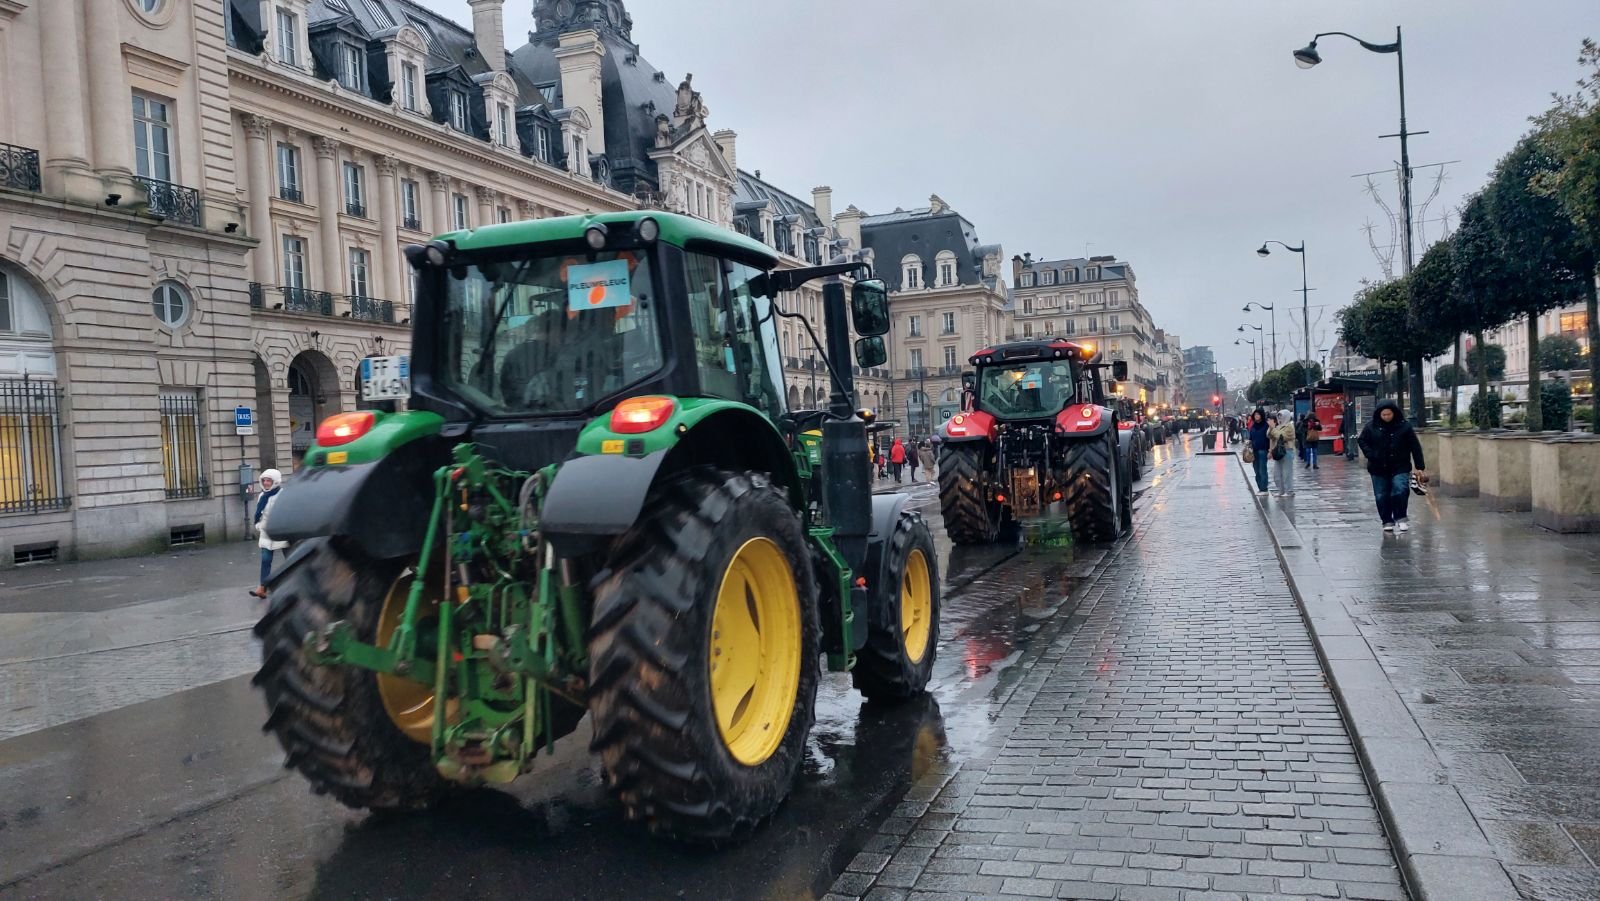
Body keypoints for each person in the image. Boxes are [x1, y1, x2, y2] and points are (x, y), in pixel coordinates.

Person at [1357, 399, 1427, 533]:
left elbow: (1415, 446)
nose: (1386, 417)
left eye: (1389, 414)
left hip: (1400, 465)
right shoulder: (1371, 427)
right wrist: (1370, 454)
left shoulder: (1405, 427)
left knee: (1400, 489)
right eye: (1384, 415)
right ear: (1379, 414)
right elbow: (1362, 440)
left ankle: (1401, 518)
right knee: (1381, 495)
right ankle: (1387, 520)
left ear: (1394, 413)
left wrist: (1420, 467)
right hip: (1378, 466)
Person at [251, 469, 289, 598]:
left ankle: (297, 584)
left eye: (269, 481)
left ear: (275, 481)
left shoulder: (283, 494)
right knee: (265, 560)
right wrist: (259, 525)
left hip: (281, 531)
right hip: (266, 532)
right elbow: (259, 513)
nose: (266, 483)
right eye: (264, 480)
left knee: (290, 559)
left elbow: (287, 511)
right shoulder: (262, 496)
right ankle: (262, 588)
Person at [1268, 412, 1296, 496]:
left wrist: (1273, 429)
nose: (1279, 418)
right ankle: (1281, 490)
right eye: (1278, 416)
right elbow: (1269, 436)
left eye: (1281, 416)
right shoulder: (1278, 427)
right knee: (1277, 474)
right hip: (1278, 452)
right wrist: (1270, 428)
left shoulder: (1289, 426)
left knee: (1287, 473)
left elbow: (1281, 436)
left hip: (1287, 451)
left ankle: (1289, 491)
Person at [1246, 408, 1271, 495]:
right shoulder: (1253, 426)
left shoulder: (1266, 426)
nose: (1256, 416)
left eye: (1258, 414)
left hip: (1263, 450)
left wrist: (1269, 450)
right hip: (1254, 451)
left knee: (1262, 469)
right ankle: (1260, 488)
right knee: (1256, 470)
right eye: (1255, 414)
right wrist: (1249, 442)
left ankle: (1264, 489)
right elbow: (1251, 437)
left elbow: (1270, 438)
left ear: (1261, 415)